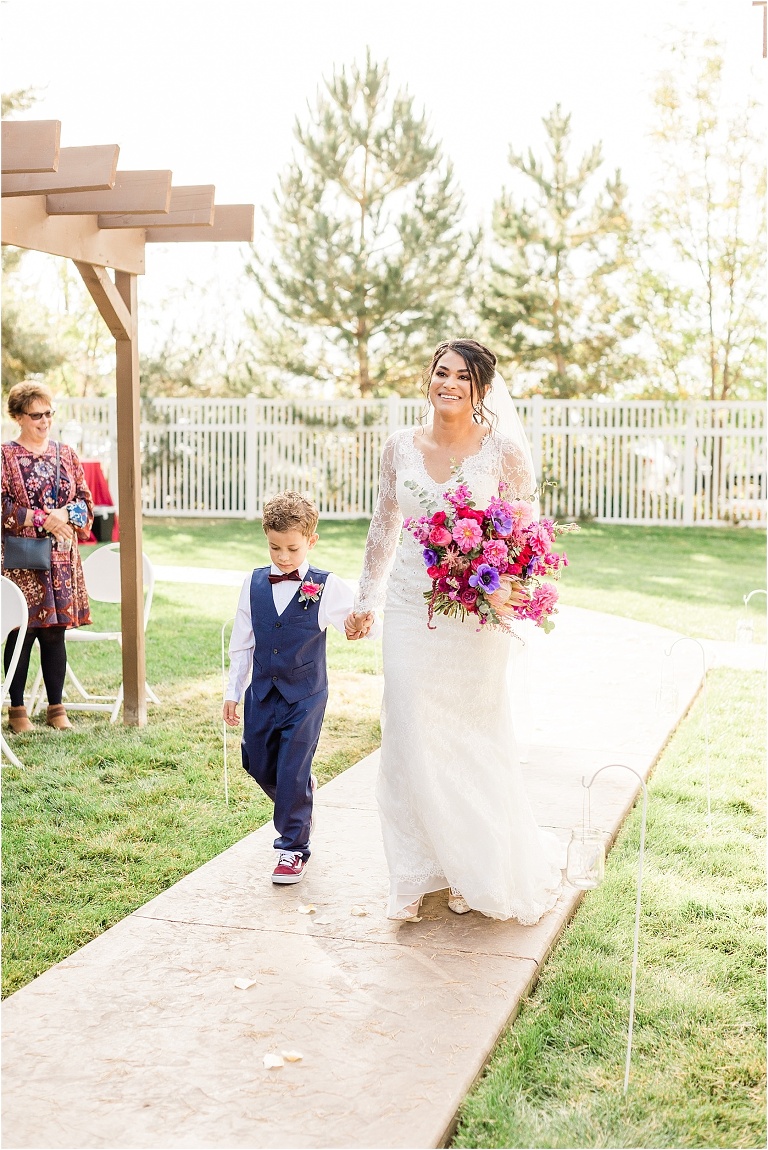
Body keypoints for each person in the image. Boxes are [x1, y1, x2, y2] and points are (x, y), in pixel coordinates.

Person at [346, 339, 563, 921]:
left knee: (470, 735)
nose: (448, 384)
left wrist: (503, 584)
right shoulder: (398, 447)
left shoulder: (505, 454)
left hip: (475, 615)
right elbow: (384, 525)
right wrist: (366, 597)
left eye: (462, 378)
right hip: (409, 608)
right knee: (409, 731)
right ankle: (411, 874)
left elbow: (525, 539)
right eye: (441, 373)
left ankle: (471, 866)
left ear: (482, 391)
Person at [223, 491, 379, 885]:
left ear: (311, 541)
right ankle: (300, 800)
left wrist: (359, 625)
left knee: (292, 768)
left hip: (305, 696)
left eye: (292, 548)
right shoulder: (254, 583)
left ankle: (293, 847)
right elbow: (243, 641)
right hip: (262, 693)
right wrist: (233, 690)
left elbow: (361, 622)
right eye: (275, 547)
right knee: (256, 763)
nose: (283, 557)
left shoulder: (326, 586)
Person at [2, 382, 94, 732]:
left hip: (60, 559)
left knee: (55, 632)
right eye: (36, 415)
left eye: (48, 413)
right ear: (18, 417)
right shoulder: (5, 456)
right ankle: (17, 710)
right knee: (20, 632)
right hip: (21, 560)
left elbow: (86, 505)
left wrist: (67, 515)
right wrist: (45, 518)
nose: (44, 421)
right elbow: (2, 507)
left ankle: (57, 708)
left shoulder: (67, 454)